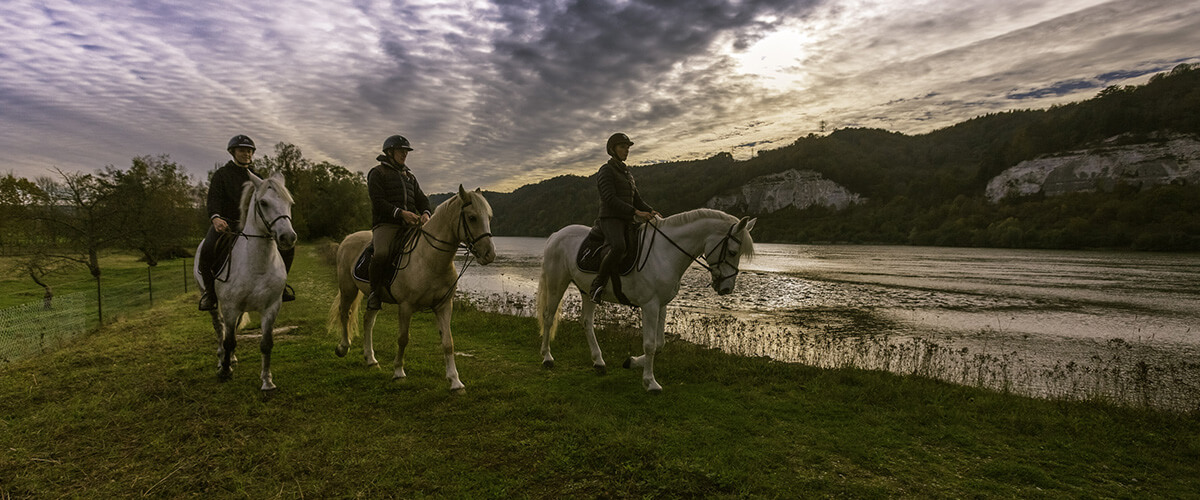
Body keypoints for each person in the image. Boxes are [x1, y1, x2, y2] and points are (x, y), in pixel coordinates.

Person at [197, 135, 296, 311]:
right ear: (233, 152)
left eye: (249, 151)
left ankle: (281, 288)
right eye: (242, 150)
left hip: (254, 226)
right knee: (207, 249)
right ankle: (210, 295)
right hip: (226, 225)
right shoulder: (221, 175)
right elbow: (213, 200)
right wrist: (216, 218)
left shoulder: (257, 178)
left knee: (289, 247)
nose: (247, 154)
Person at [590, 132, 660, 303]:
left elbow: (637, 199)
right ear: (612, 149)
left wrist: (653, 212)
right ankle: (597, 285)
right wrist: (635, 212)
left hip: (626, 219)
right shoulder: (605, 170)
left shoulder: (627, 174)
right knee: (619, 246)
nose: (626, 151)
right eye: (623, 147)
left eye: (628, 148)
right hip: (610, 218)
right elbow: (609, 198)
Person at [366, 134, 432, 310]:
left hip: (410, 225)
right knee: (381, 253)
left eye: (406, 152)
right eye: (400, 151)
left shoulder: (410, 177)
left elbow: (422, 200)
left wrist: (425, 213)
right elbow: (378, 202)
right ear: (389, 152)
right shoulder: (377, 173)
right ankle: (374, 293)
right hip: (386, 225)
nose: (404, 154)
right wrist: (401, 213)